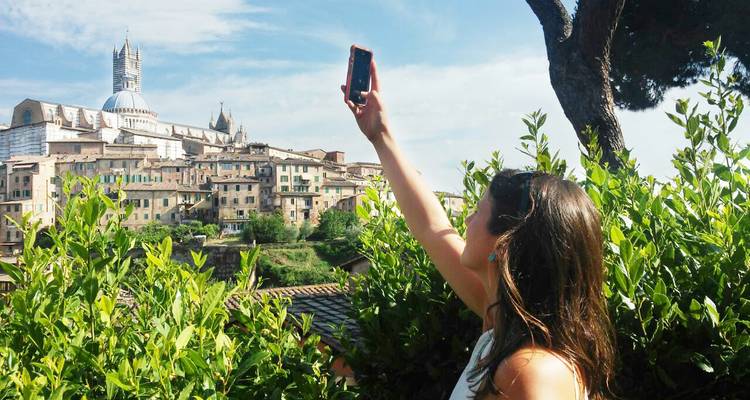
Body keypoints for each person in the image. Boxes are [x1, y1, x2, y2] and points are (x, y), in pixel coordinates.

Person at [341, 57, 616, 399]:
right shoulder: (503, 327)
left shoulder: (529, 371)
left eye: (477, 212)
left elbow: (435, 228)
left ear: (504, 245)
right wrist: (380, 136)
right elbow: (432, 226)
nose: (466, 222)